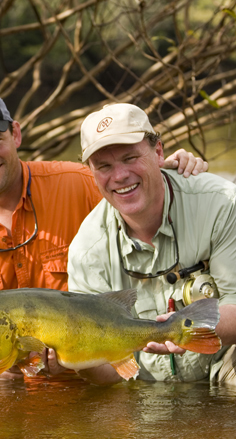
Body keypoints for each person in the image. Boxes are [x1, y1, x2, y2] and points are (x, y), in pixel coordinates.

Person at [0, 92, 208, 375]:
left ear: (16, 134)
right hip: (9, 380)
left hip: (94, 373)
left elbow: (130, 184)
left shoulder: (77, 183)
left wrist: (168, 170)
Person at [67, 102, 236, 385]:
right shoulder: (86, 250)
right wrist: (73, 361)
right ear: (91, 172)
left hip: (224, 365)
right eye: (104, 166)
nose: (119, 176)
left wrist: (185, 331)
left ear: (158, 151)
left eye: (130, 158)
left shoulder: (221, 203)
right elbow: (109, 375)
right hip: (144, 388)